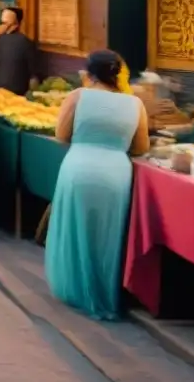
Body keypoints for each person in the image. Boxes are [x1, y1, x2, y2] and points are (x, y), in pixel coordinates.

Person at [44, 50, 149, 320]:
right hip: (116, 174)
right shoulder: (135, 104)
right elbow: (140, 148)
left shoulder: (77, 97)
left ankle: (74, 287)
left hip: (79, 166)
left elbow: (61, 135)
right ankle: (105, 292)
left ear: (88, 73)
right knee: (108, 235)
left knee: (76, 228)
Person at [0, 5, 38, 95]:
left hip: (4, 90)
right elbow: (33, 72)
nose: (1, 26)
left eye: (4, 23)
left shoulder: (1, 39)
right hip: (12, 92)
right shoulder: (26, 42)